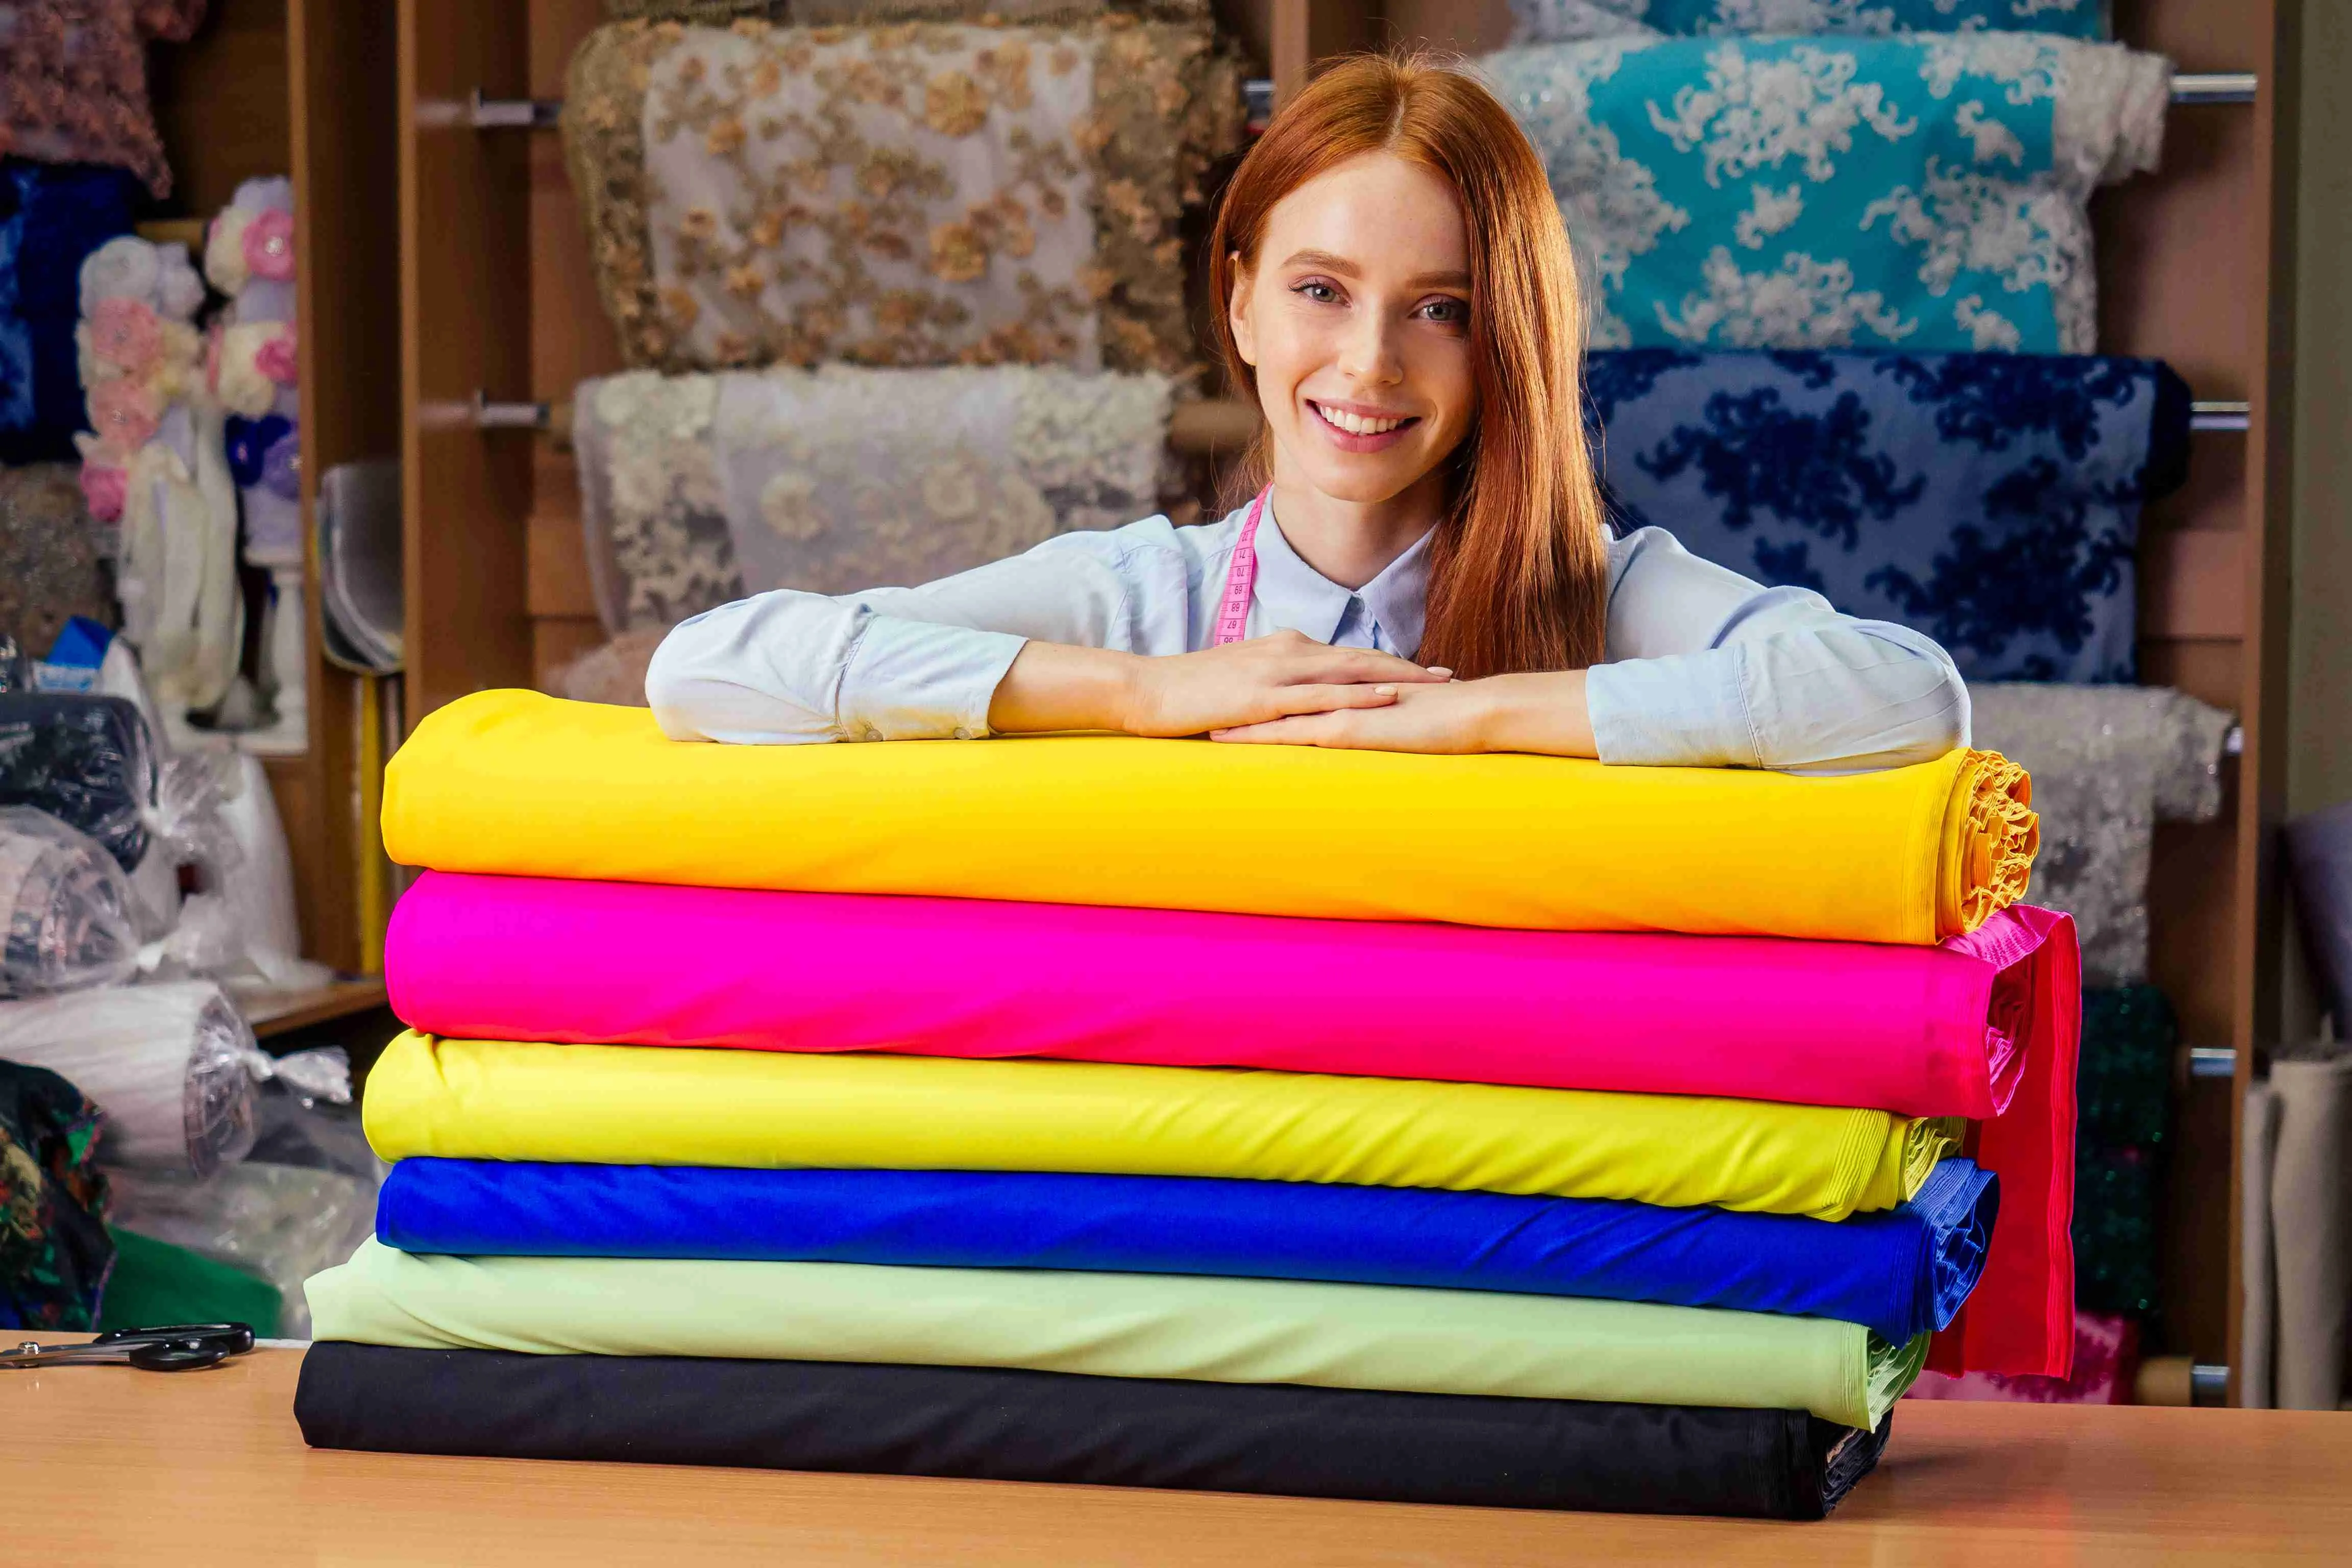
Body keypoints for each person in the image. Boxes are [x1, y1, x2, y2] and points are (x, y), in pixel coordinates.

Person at [646, 52, 1967, 774]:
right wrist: (1137, 696)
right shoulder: (1137, 605)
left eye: (1440, 309)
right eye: (1321, 291)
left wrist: (1480, 715)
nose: (1370, 364)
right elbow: (712, 667)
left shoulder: (1605, 600)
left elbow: (1910, 700)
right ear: (1241, 312)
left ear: (1510, 342)